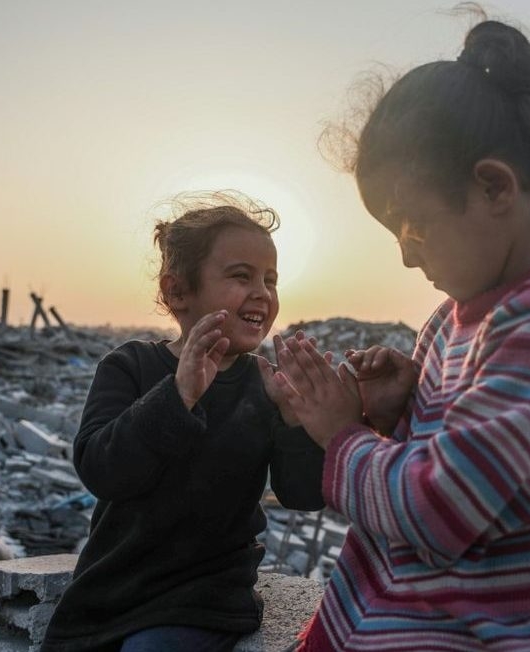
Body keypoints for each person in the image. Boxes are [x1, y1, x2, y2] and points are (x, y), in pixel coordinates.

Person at [273, 17, 530, 652]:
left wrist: (341, 435)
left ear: (493, 186)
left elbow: (439, 510)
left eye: (413, 225)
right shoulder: (453, 319)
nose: (405, 255)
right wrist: (394, 416)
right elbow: (449, 460)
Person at [40, 192, 325, 652]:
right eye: (241, 276)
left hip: (205, 598)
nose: (262, 293)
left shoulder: (264, 386)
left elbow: (302, 495)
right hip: (112, 588)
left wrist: (295, 419)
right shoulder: (129, 366)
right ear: (178, 292)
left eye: (270, 280)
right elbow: (100, 469)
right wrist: (179, 395)